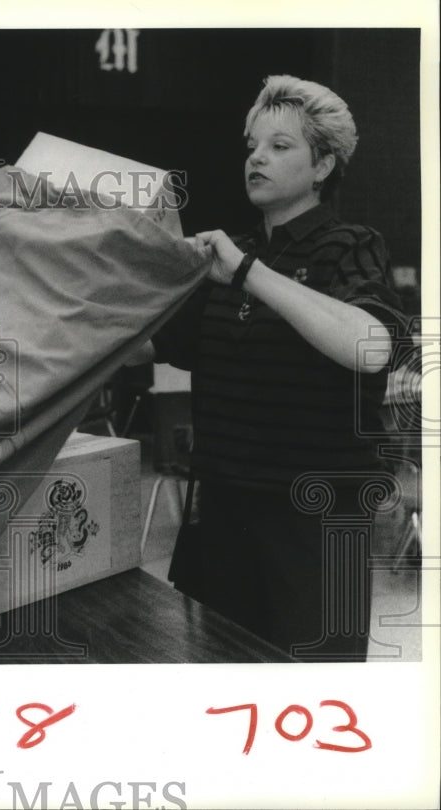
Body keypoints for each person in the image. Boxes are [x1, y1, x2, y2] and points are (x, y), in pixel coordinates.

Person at [145, 75, 407, 661]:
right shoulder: (227, 257)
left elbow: (369, 346)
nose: (257, 157)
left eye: (280, 146)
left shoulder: (351, 245)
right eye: (252, 147)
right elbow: (149, 345)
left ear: (323, 166)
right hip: (225, 515)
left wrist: (246, 271)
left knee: (313, 697)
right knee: (226, 690)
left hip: (316, 525)